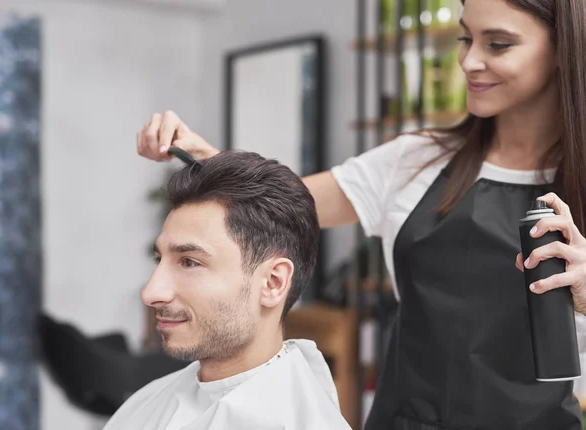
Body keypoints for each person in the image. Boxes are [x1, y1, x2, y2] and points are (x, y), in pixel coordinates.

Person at [138, 0, 586, 428]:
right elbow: (284, 206)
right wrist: (202, 156)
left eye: (498, 44)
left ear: (563, 50)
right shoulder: (418, 159)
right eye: (466, 39)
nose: (469, 62)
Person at [103, 151, 352, 430]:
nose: (151, 292)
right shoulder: (147, 402)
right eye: (159, 260)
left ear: (273, 282)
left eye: (189, 262)